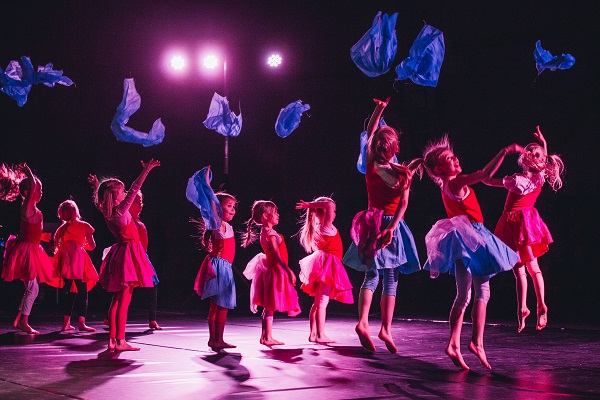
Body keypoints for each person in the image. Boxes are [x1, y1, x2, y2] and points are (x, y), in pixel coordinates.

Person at [416, 136, 521, 370]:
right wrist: (505, 150)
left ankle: (454, 343)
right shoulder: (455, 183)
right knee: (482, 291)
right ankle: (476, 342)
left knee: (463, 295)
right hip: (472, 237)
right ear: (439, 169)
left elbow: (485, 179)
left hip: (460, 239)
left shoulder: (447, 187)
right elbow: (484, 174)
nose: (455, 158)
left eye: (454, 155)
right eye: (449, 158)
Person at [342, 97, 421, 353]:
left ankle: (364, 322)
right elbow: (403, 205)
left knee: (372, 274)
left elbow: (371, 131)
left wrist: (379, 109)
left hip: (372, 222)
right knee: (391, 278)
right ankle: (385, 328)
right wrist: (392, 229)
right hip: (391, 224)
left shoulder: (370, 164)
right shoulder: (402, 174)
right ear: (394, 148)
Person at [485, 126, 564, 332]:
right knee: (534, 268)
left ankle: (522, 309)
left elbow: (487, 180)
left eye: (534, 153)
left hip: (514, 223)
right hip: (529, 221)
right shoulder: (540, 176)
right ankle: (541, 303)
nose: (533, 155)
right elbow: (542, 159)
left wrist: (503, 153)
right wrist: (543, 143)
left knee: (519, 270)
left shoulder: (517, 180)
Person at [89, 159, 160, 351]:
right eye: (122, 191)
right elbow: (136, 188)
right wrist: (146, 170)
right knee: (124, 300)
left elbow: (100, 201)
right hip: (129, 253)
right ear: (115, 195)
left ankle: (113, 339)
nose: (126, 193)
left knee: (116, 300)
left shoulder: (107, 211)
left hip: (120, 253)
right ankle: (120, 340)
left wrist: (97, 187)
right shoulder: (120, 212)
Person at [1, 163, 57, 334]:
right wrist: (29, 173)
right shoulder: (27, 206)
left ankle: (19, 319)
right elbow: (32, 187)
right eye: (37, 189)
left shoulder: (33, 208)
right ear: (27, 192)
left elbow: (32, 230)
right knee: (33, 288)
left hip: (32, 248)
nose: (40, 192)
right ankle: (23, 321)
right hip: (27, 252)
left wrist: (42, 238)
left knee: (31, 288)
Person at [242, 200, 300, 347]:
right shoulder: (271, 234)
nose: (278, 215)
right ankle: (267, 337)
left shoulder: (265, 232)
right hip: (276, 270)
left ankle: (265, 336)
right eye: (275, 213)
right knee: (270, 305)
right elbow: (277, 255)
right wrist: (289, 271)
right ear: (265, 216)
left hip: (271, 270)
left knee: (269, 305)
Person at [296, 197, 353, 344]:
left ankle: (313, 334)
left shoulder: (324, 226)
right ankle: (320, 335)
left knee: (318, 302)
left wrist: (312, 206)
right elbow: (328, 204)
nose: (334, 213)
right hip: (328, 266)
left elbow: (327, 205)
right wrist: (310, 205)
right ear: (325, 212)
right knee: (322, 302)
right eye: (333, 211)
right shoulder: (325, 226)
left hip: (323, 265)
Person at [192, 167, 238, 351]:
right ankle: (214, 339)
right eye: (229, 206)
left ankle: (218, 339)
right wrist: (207, 185)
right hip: (219, 267)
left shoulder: (226, 226)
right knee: (218, 305)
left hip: (225, 267)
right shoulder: (217, 225)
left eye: (234, 207)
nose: (233, 210)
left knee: (221, 307)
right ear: (218, 209)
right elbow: (212, 205)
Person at [54, 199, 98, 332]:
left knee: (69, 292)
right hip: (79, 262)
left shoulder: (61, 229)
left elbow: (56, 246)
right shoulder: (84, 226)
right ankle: (81, 323)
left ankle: (66, 323)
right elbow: (92, 246)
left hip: (66, 263)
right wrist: (81, 245)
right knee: (82, 292)